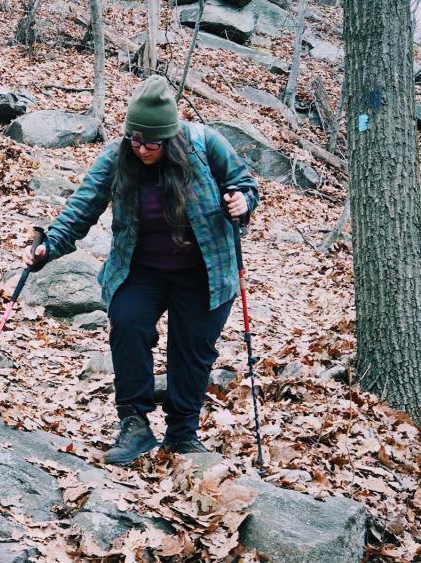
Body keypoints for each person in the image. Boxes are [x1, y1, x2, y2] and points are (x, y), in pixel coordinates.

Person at [23, 75, 259, 465]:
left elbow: (243, 183)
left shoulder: (205, 144)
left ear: (169, 137)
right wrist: (49, 246)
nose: (142, 148)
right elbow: (82, 206)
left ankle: (182, 435)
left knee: (192, 352)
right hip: (141, 268)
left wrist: (241, 202)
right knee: (128, 326)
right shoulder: (119, 157)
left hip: (204, 271)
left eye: (152, 142)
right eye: (135, 139)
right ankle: (134, 423)